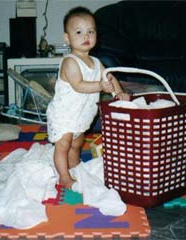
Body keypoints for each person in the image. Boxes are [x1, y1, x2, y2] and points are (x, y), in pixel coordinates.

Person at [47, 6, 130, 189]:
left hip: (81, 115)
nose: (86, 36)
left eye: (90, 32)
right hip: (64, 113)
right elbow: (78, 85)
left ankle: (75, 167)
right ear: (67, 38)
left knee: (77, 143)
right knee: (63, 144)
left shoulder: (97, 62)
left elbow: (109, 77)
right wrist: (100, 86)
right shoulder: (70, 62)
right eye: (79, 32)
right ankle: (64, 176)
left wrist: (118, 93)